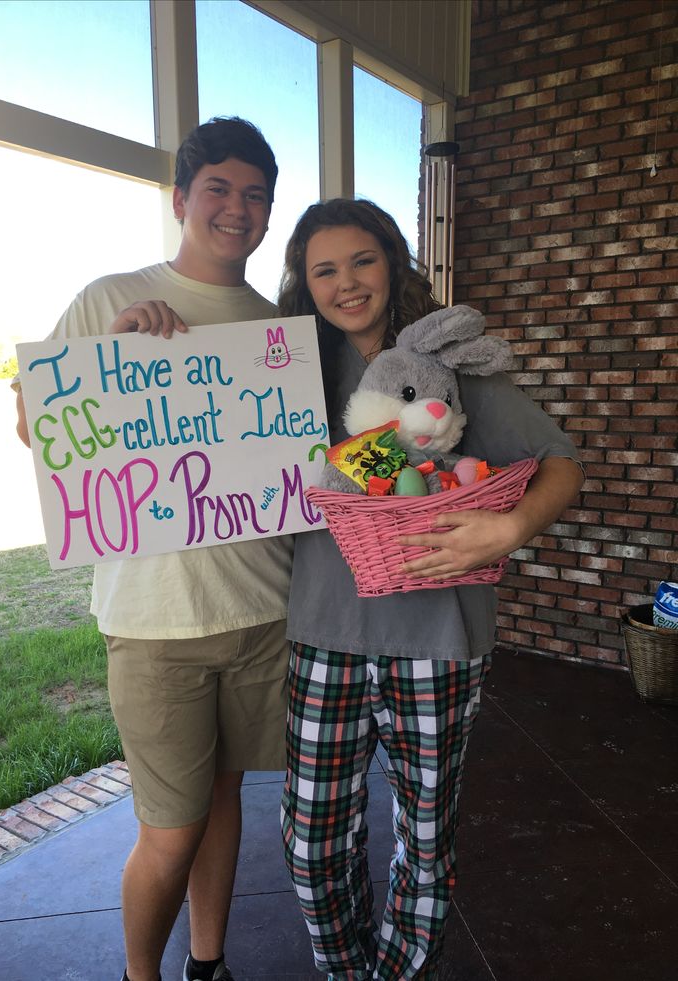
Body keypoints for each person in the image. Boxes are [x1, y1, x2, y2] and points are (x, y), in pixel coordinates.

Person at [276, 198, 584, 981]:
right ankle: (346, 969)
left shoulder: (454, 370)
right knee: (312, 843)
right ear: (302, 283)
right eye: (324, 269)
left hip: (439, 645)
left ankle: (403, 973)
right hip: (324, 639)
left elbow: (559, 461)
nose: (347, 283)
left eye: (363, 260)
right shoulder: (289, 370)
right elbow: (191, 412)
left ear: (394, 261)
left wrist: (511, 530)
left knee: (424, 837)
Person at [15, 117, 292, 981]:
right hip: (155, 620)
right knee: (168, 832)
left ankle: (206, 964)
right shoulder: (112, 295)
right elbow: (35, 422)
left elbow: (306, 456)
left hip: (264, 609)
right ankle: (142, 974)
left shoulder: (275, 328)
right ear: (181, 199)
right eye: (219, 189)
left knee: (224, 798)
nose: (237, 209)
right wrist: (113, 357)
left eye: (255, 195)